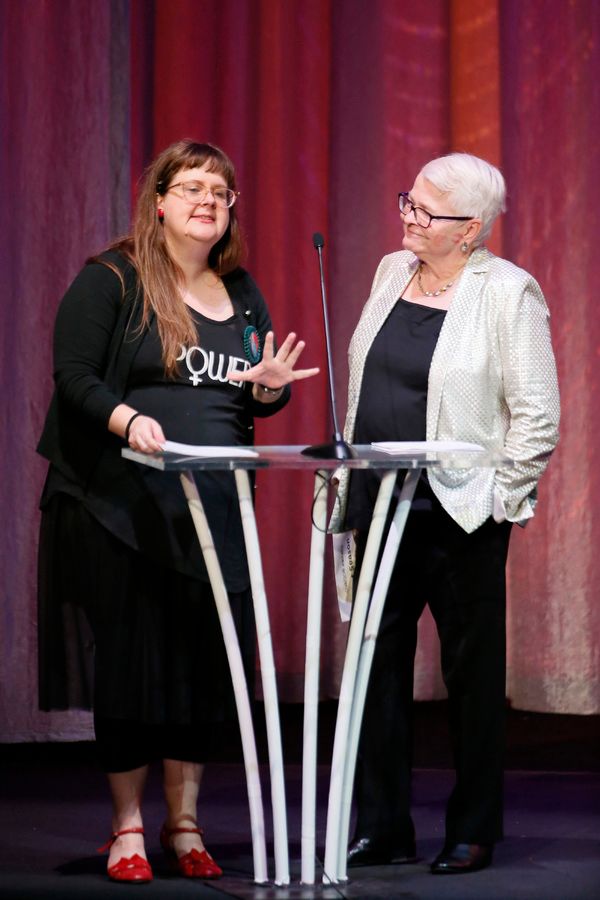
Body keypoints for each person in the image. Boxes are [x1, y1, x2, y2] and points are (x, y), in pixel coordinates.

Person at [37, 140, 318, 884]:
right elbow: (73, 375)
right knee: (131, 668)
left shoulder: (242, 289)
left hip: (213, 510)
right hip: (120, 507)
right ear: (158, 200)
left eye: (221, 194)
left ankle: (183, 824)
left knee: (201, 670)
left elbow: (257, 389)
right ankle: (127, 826)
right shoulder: (113, 278)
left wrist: (269, 390)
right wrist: (128, 420)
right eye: (192, 187)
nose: (208, 202)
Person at [330, 152, 559, 874]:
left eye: (426, 211)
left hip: (458, 514)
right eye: (409, 201)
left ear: (471, 230)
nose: (408, 216)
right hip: (378, 502)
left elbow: (538, 416)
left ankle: (473, 828)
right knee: (376, 671)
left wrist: (498, 501)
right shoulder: (390, 273)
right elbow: (366, 385)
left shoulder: (508, 292)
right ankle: (383, 826)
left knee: (471, 679)